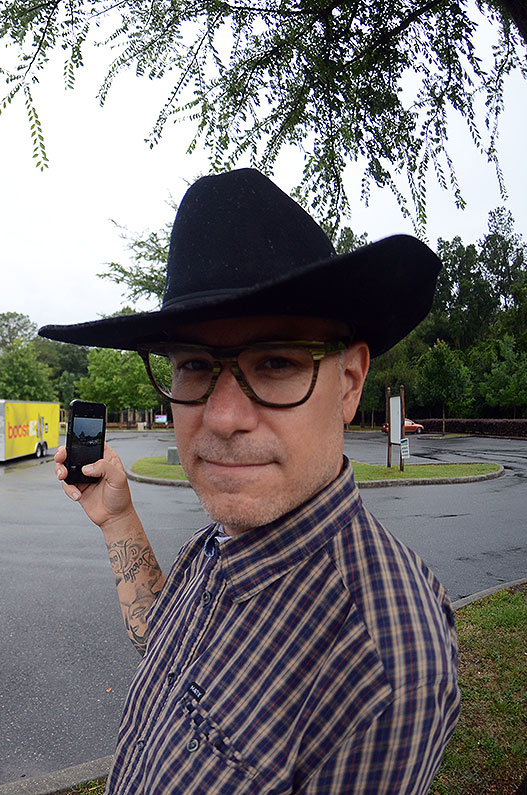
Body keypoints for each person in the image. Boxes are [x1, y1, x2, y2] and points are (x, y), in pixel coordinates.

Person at [41, 169, 461, 794]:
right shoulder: (222, 541)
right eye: (194, 365)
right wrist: (119, 520)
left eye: (275, 362)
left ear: (348, 382)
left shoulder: (378, 661)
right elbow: (168, 649)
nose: (223, 418)